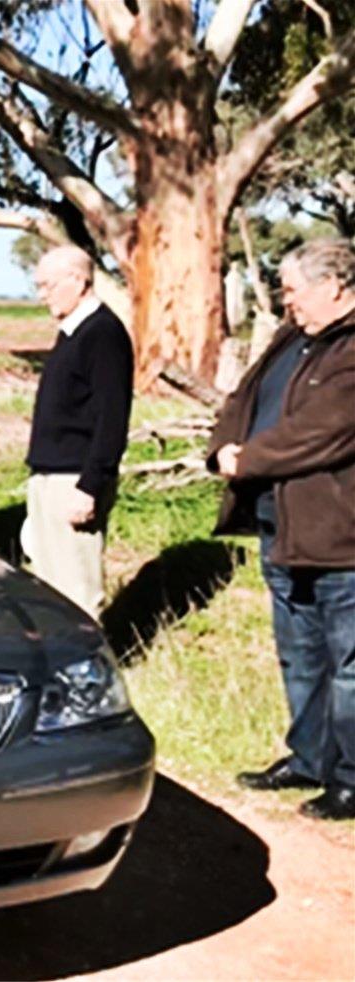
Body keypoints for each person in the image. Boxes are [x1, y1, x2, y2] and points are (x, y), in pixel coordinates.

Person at [208, 237, 355, 822]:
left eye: (294, 290)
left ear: (334, 287)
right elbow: (243, 399)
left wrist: (246, 459)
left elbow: (323, 431)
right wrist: (222, 446)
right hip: (281, 526)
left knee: (349, 665)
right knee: (300, 654)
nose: (286, 301)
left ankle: (351, 779)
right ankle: (309, 758)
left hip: (339, 536)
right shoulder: (292, 338)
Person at [20, 246, 133, 617]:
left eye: (48, 285)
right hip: (48, 476)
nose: (42, 295)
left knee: (77, 592)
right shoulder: (72, 332)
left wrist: (90, 486)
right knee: (49, 587)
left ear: (78, 280)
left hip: (74, 481)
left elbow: (111, 418)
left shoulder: (103, 333)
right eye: (38, 286)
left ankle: (89, 656)